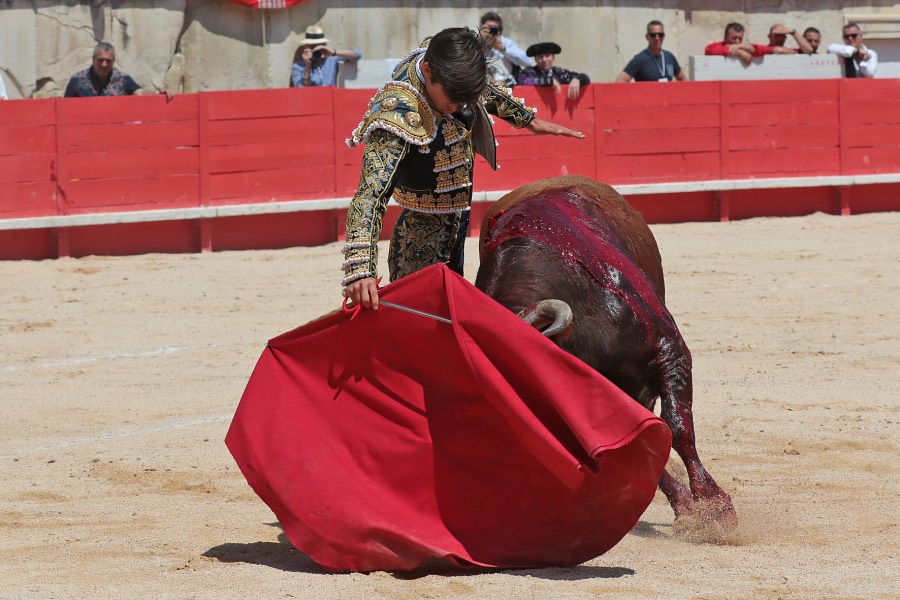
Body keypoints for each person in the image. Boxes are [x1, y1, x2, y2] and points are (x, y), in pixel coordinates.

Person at [342, 27, 584, 309]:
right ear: (428, 70)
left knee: (451, 302)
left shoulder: (448, 55)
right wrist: (360, 271)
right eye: (451, 98)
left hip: (459, 214)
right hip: (421, 228)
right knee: (418, 311)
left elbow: (479, 85)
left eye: (465, 100)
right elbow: (370, 196)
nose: (457, 107)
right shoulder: (396, 112)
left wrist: (525, 118)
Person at [64, 42, 170, 98]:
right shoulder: (77, 80)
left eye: (108, 60)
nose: (104, 64)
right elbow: (65, 108)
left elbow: (140, 93)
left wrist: (159, 96)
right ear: (93, 60)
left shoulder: (123, 79)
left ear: (113, 61)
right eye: (100, 60)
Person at [291, 25, 362, 87]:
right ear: (306, 47)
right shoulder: (298, 66)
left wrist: (334, 52)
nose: (316, 50)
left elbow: (357, 55)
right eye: (312, 47)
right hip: (310, 100)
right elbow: (301, 87)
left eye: (319, 46)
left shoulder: (331, 59)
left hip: (330, 99)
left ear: (324, 45)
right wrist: (308, 65)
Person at [615, 21, 686, 82]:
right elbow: (620, 81)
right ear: (647, 37)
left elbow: (683, 80)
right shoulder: (640, 59)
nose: (657, 38)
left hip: (666, 97)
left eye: (660, 35)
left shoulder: (669, 57)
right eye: (653, 35)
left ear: (664, 37)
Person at [516, 42, 590, 98]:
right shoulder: (529, 72)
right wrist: (549, 81)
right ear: (535, 59)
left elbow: (585, 77)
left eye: (547, 56)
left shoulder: (559, 73)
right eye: (540, 57)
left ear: (553, 57)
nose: (544, 59)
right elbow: (523, 80)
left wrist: (577, 80)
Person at [479, 11, 533, 88]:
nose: (490, 30)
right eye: (487, 27)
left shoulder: (506, 43)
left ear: (499, 30)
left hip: (505, 87)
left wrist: (502, 48)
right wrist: (480, 43)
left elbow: (528, 61)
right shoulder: (476, 43)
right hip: (482, 87)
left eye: (493, 28)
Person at [705, 22, 775, 66]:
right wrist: (740, 52)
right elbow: (711, 50)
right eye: (733, 38)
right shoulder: (714, 46)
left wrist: (742, 46)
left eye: (740, 38)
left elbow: (761, 50)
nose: (737, 41)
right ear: (725, 37)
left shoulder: (743, 47)